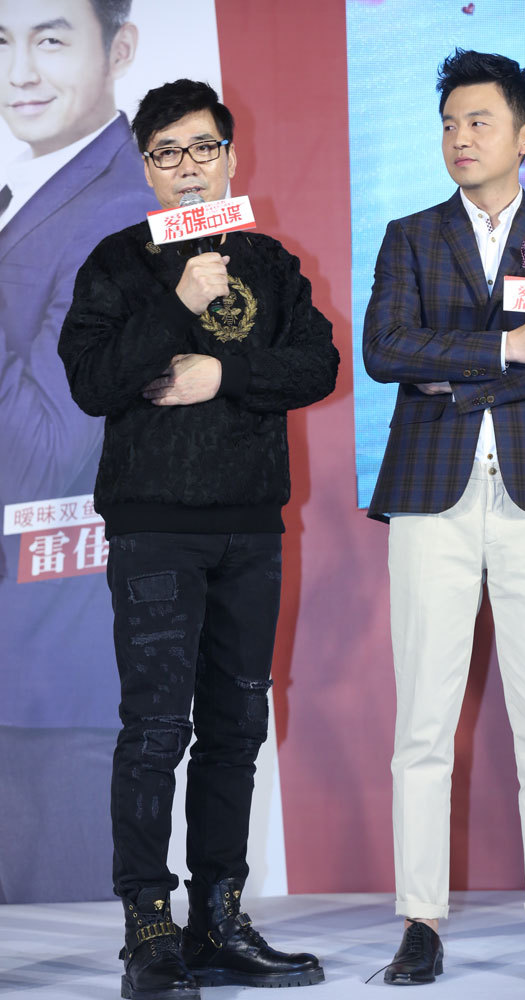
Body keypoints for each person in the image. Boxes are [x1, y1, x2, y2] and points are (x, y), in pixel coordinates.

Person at [58, 78, 338, 998]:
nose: (188, 166)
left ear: (230, 155)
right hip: (155, 529)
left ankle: (218, 918)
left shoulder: (268, 260)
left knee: (234, 730)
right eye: (167, 152)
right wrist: (176, 302)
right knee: (153, 730)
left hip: (251, 527)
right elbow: (93, 382)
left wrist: (223, 373)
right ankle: (148, 929)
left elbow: (317, 364)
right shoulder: (116, 262)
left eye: (203, 147)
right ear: (147, 167)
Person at [363, 49, 525, 986]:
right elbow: (387, 349)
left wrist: (452, 374)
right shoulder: (409, 237)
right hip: (433, 494)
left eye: (479, 122)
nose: (459, 138)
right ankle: (419, 920)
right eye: (449, 124)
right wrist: (505, 349)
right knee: (421, 722)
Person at [0, 0, 155, 903]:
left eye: (51, 39)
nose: (20, 71)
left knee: (57, 939)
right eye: (2, 41)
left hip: (48, 665)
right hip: (28, 665)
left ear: (118, 48)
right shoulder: (38, 189)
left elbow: (49, 451)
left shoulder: (120, 210)